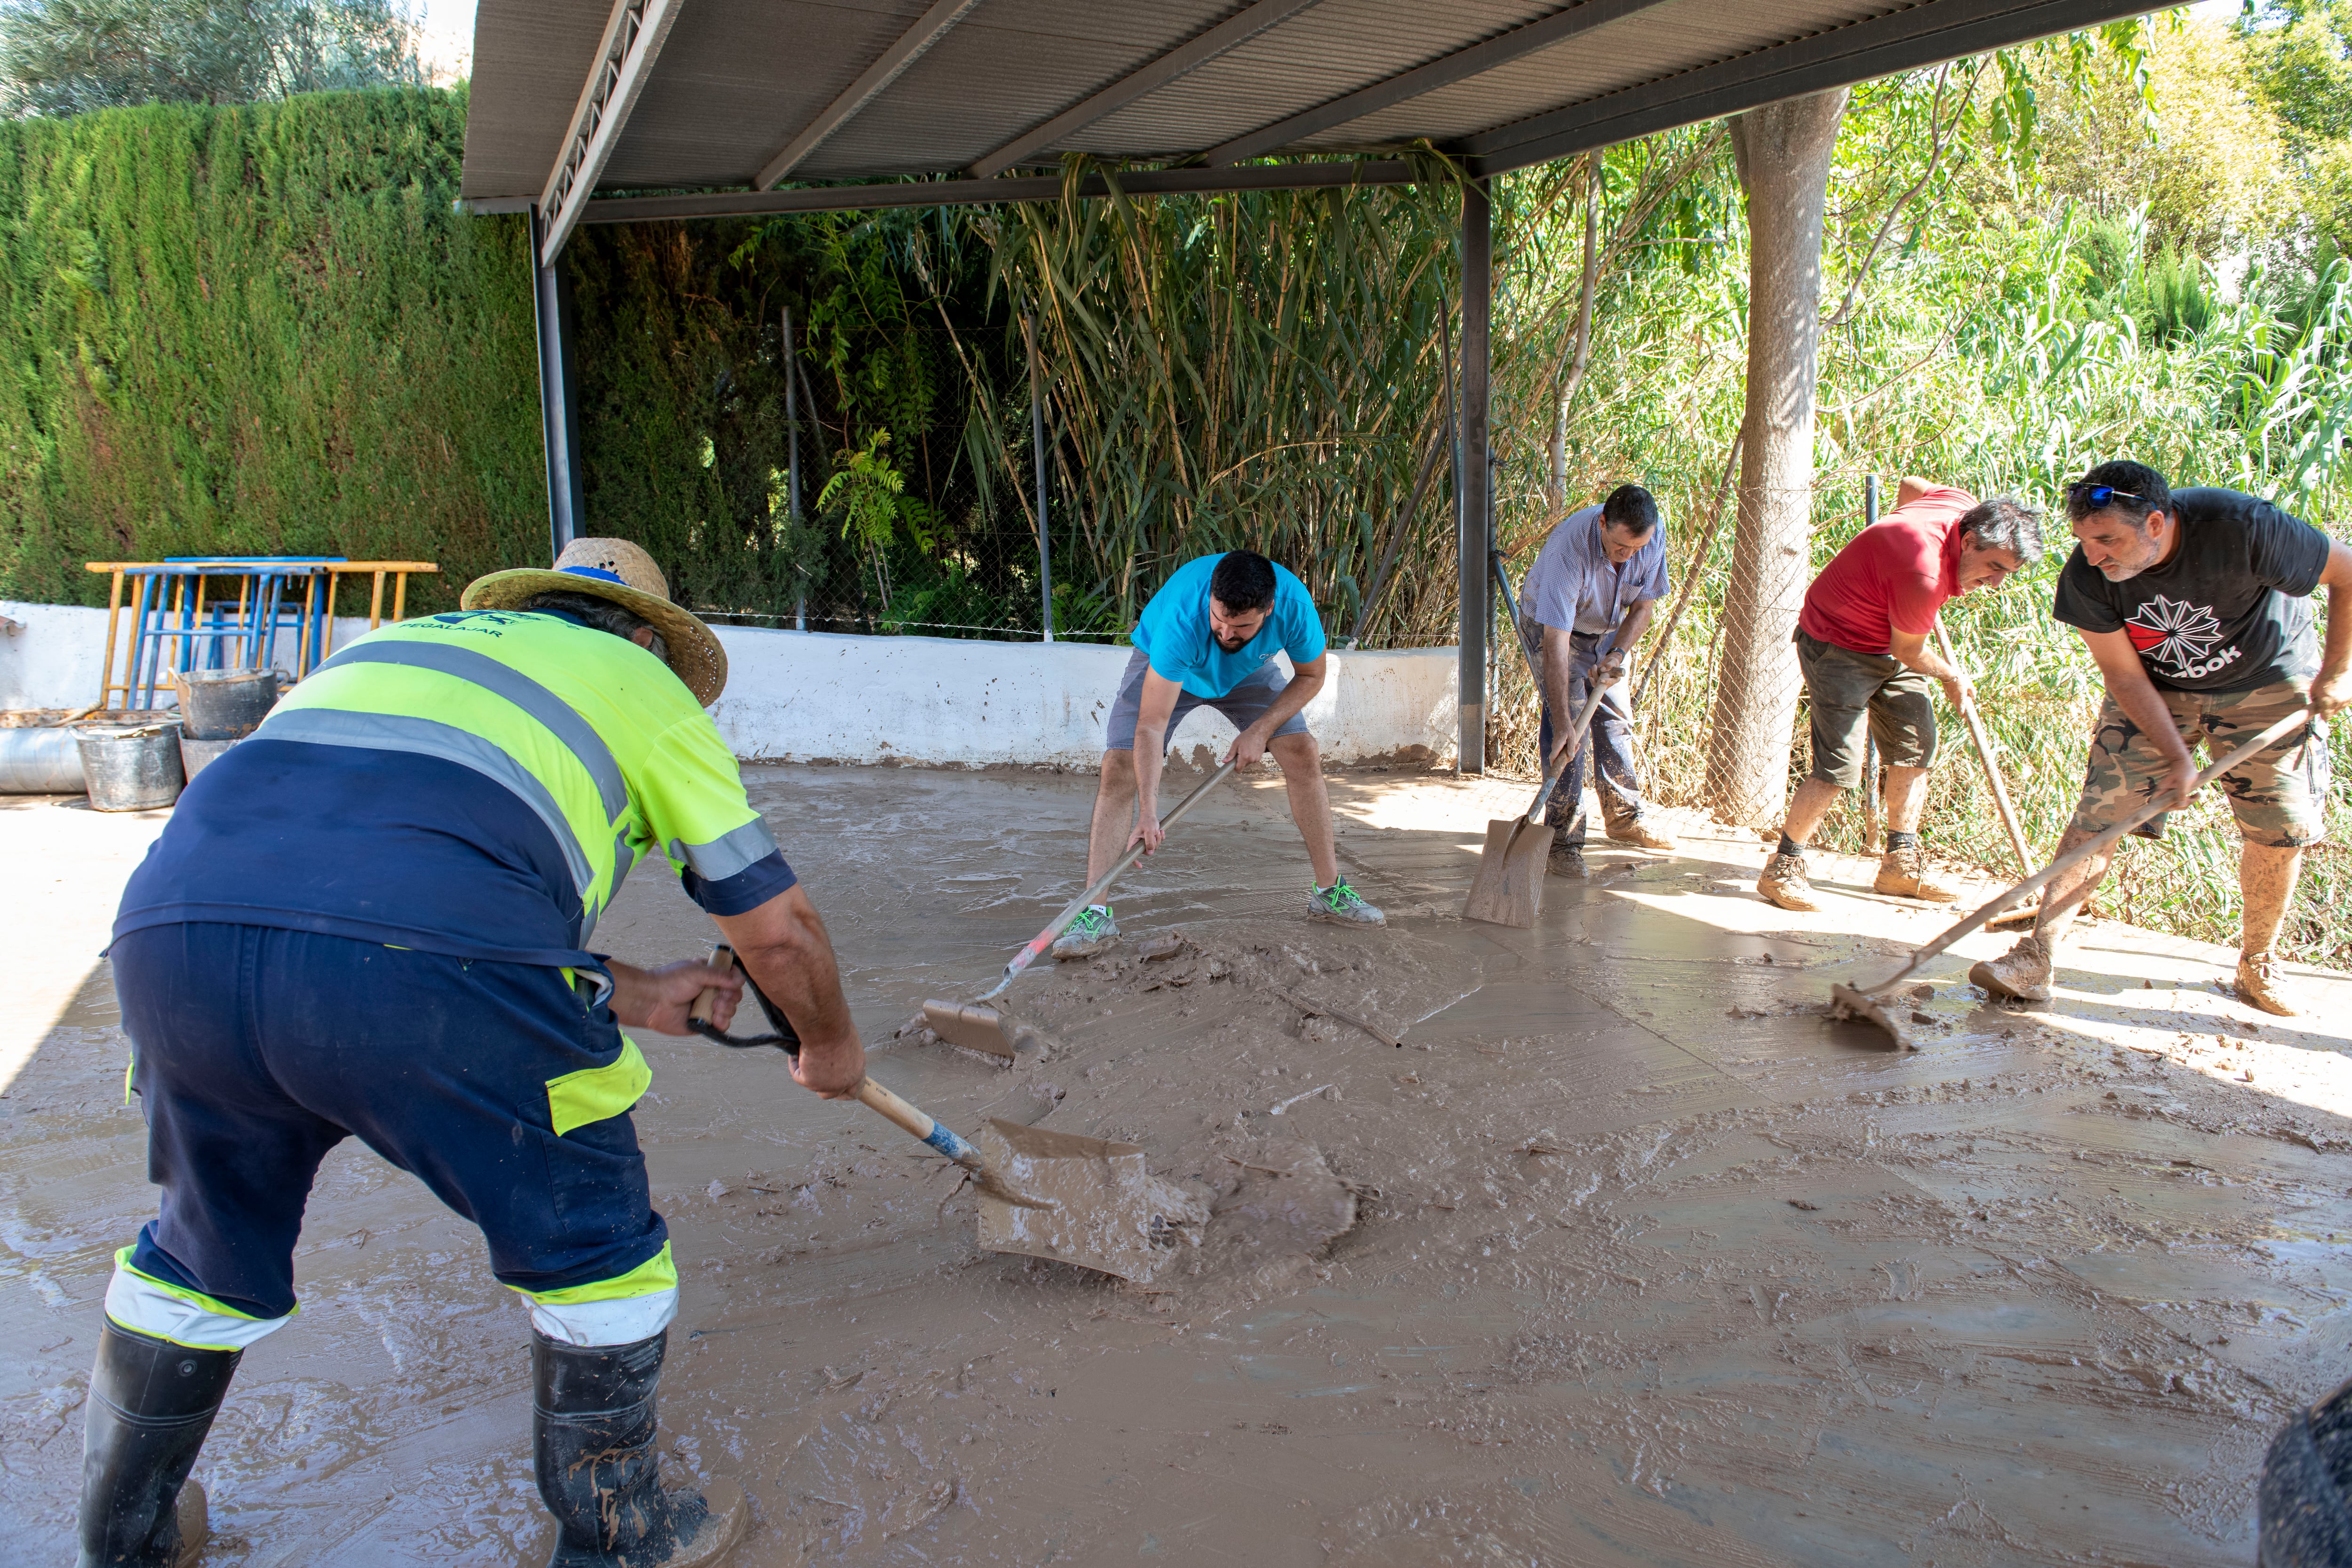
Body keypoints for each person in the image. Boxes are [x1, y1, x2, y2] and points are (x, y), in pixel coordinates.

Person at [79, 539, 865, 1568]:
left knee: (198, 1250)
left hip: (174, 942)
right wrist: (832, 1045)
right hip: (421, 963)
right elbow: (779, 931)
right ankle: (618, 1534)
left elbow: (369, 879)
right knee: (599, 1250)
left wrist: (636, 993)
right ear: (643, 638)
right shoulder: (639, 681)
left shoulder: (390, 649)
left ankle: (122, 1538)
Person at [1971, 462, 2351, 1018]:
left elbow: (2347, 571)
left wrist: (2337, 671)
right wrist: (2175, 757)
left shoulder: (2245, 528)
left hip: (2265, 678)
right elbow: (2123, 676)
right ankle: (2036, 957)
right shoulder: (2086, 576)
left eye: (2107, 540)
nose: (2094, 555)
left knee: (2278, 829)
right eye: (2084, 541)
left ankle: (2258, 961)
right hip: (2157, 686)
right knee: (2100, 814)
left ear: (2155, 522)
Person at [1051, 549, 1382, 957]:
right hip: (1171, 667)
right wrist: (1149, 812)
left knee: (1302, 751)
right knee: (1118, 766)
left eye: (1241, 626)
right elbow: (1151, 725)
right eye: (1219, 619)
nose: (1226, 634)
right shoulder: (1183, 620)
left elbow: (1312, 674)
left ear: (1268, 610)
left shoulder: (1295, 607)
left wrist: (1260, 730)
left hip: (1247, 672)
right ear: (1210, 598)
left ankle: (1330, 892)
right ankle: (1094, 914)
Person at [1756, 478, 2045, 912]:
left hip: (1889, 636)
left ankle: (1900, 865)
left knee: (1916, 744)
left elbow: (1911, 487)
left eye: (2008, 572)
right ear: (1968, 541)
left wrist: (1893, 543)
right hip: (1838, 643)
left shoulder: (1962, 505)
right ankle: (1783, 867)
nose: (1997, 582)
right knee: (1840, 765)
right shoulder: (1923, 574)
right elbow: (1908, 650)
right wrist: (1951, 674)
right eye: (1995, 567)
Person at [1516, 483, 1677, 876]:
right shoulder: (1570, 550)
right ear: (1604, 523)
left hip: (1606, 630)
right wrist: (1562, 723)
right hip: (1553, 628)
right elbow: (1557, 639)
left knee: (1615, 715)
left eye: (1637, 549)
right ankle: (1562, 840)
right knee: (1570, 730)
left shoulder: (1649, 540)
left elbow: (1643, 608)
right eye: (1622, 548)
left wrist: (1616, 654)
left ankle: (1624, 816)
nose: (1630, 556)